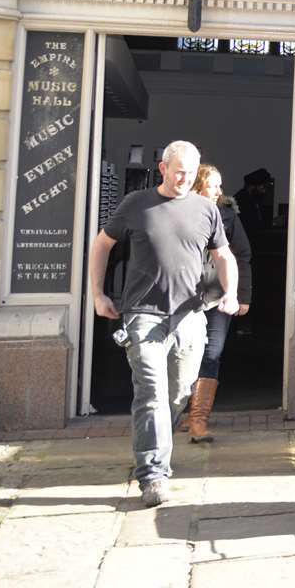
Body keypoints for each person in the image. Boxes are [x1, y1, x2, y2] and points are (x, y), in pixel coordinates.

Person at [88, 140, 238, 508]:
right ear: (163, 168)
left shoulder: (207, 210)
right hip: (144, 315)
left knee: (177, 395)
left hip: (190, 316)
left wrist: (231, 292)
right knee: (152, 393)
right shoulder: (136, 205)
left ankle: (152, 446)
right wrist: (98, 294)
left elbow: (223, 255)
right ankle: (153, 474)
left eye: (190, 172)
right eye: (179, 171)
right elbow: (101, 245)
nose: (185, 178)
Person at [185, 163, 252, 442]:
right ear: (198, 186)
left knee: (211, 353)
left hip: (218, 297)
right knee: (183, 354)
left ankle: (198, 420)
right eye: (214, 185)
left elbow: (243, 255)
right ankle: (182, 412)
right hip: (184, 299)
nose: (220, 191)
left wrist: (242, 296)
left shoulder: (227, 216)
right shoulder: (179, 213)